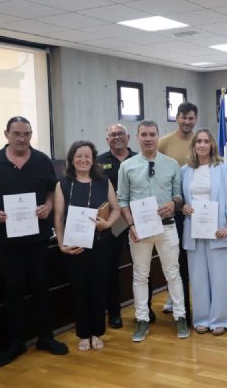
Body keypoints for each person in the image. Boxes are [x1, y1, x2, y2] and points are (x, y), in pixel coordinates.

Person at [0, 116, 68, 367]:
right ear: (7, 134)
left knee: (41, 286)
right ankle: (15, 343)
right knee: (13, 289)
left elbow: (52, 190)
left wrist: (48, 205)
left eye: (26, 134)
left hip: (37, 237)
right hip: (6, 238)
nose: (22, 138)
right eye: (17, 134)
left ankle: (45, 338)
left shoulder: (42, 160)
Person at [117, 120, 189, 341]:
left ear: (158, 136)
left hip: (167, 227)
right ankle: (142, 319)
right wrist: (130, 225)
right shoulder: (126, 166)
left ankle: (180, 316)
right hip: (140, 230)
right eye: (144, 134)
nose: (148, 138)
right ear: (137, 137)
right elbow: (122, 200)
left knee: (173, 273)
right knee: (140, 275)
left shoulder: (172, 164)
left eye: (152, 134)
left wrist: (174, 203)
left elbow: (178, 195)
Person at [54, 141, 121, 351]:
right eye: (79, 156)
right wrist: (61, 244)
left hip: (101, 244)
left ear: (93, 160)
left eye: (87, 156)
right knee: (79, 289)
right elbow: (58, 218)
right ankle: (83, 333)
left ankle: (97, 332)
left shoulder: (103, 182)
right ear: (72, 159)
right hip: (75, 246)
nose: (83, 160)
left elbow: (116, 209)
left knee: (99, 288)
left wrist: (107, 224)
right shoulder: (63, 184)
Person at [181, 129, 227, 335]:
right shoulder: (185, 170)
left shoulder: (223, 167)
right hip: (194, 230)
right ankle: (202, 318)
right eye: (198, 141)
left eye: (206, 141)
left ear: (212, 144)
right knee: (197, 278)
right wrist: (183, 207)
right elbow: (181, 198)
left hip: (218, 230)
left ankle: (219, 319)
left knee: (220, 277)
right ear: (194, 145)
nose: (202, 145)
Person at [97, 123, 148, 329]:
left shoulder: (141, 159)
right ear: (107, 139)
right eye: (113, 134)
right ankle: (114, 312)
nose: (117, 137)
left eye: (120, 134)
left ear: (128, 137)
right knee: (111, 268)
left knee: (142, 266)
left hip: (138, 219)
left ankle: (145, 309)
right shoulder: (99, 162)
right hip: (113, 222)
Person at [158, 102, 198, 320]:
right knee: (174, 256)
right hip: (172, 209)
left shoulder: (200, 141)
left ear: (195, 119)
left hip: (197, 209)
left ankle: (195, 297)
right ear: (177, 118)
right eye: (183, 117)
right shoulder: (164, 143)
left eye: (191, 118)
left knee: (193, 255)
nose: (187, 121)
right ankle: (174, 297)